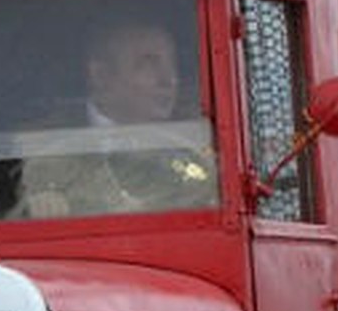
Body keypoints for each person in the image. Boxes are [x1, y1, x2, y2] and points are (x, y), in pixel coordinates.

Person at [19, 17, 217, 218]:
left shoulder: (194, 151)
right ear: (101, 75)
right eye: (148, 64)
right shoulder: (41, 151)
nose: (169, 80)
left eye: (172, 64)